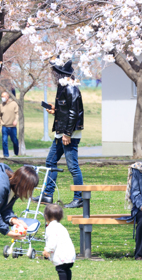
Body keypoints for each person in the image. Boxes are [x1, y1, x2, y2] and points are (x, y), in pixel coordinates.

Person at [39, 60, 84, 208]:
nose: (53, 75)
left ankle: (79, 198)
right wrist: (55, 111)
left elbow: (73, 113)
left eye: (54, 72)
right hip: (61, 133)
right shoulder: (63, 87)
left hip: (68, 134)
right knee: (50, 162)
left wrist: (67, 133)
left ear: (61, 74)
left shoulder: (71, 88)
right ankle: (47, 195)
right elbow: (66, 112)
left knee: (73, 167)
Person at [42, 203, 76, 280]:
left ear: (46, 216)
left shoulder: (51, 228)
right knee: (66, 269)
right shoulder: (61, 227)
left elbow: (52, 241)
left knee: (61, 270)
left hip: (61, 255)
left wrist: (47, 250)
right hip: (70, 254)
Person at [0, 90, 19, 158]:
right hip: (5, 127)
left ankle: (16, 151)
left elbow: (17, 114)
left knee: (14, 140)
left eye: (3, 96)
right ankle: (6, 155)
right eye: (1, 96)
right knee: (4, 141)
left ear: (7, 97)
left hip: (12, 127)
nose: (2, 98)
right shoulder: (1, 105)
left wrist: (16, 120)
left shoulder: (14, 104)